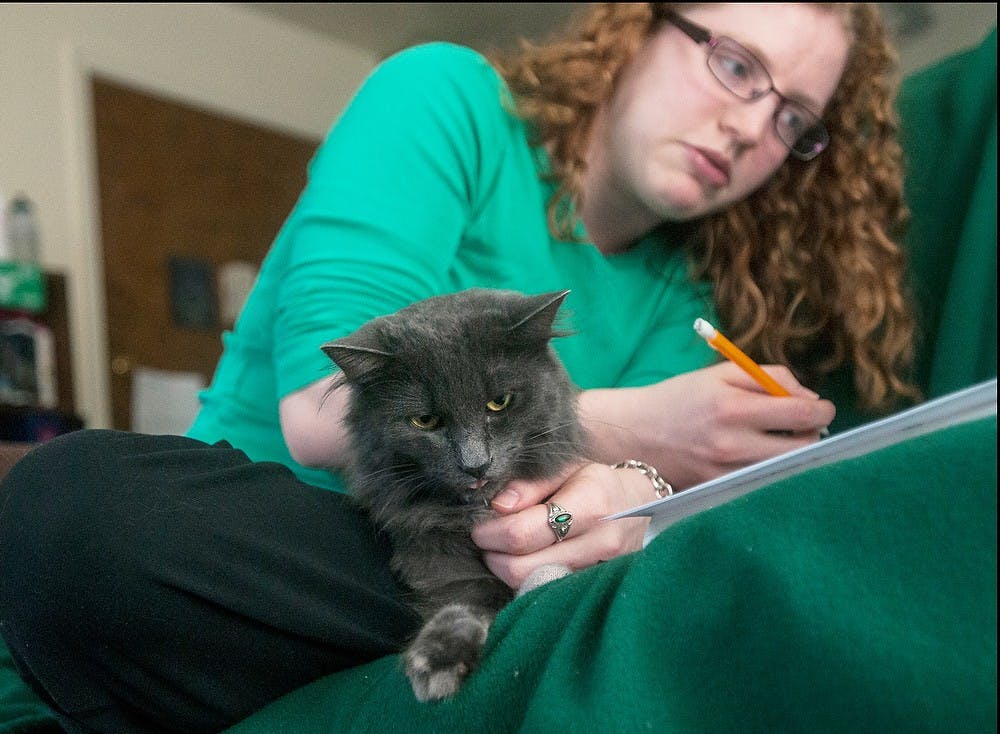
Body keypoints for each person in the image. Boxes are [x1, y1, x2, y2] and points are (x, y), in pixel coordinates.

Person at [0, 3, 919, 732]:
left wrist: (633, 493)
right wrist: (642, 430)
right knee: (79, 507)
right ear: (641, 22)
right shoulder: (446, 100)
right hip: (299, 546)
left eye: (793, 116)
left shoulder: (695, 292)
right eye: (736, 64)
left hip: (489, 578)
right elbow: (318, 413)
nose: (749, 123)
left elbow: (607, 511)